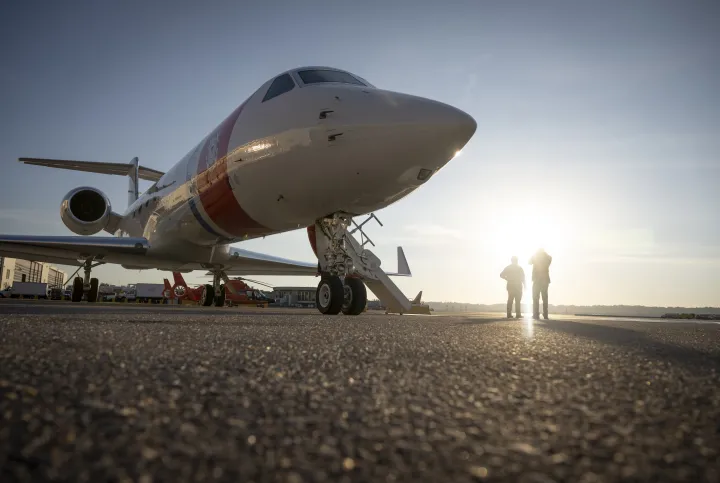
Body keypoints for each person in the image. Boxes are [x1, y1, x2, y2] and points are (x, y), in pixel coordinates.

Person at [529, 248, 552, 319]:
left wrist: (535, 254)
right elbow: (549, 259)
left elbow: (529, 262)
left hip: (537, 280)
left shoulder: (535, 257)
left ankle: (535, 314)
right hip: (545, 280)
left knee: (535, 297)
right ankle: (545, 314)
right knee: (545, 298)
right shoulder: (548, 257)